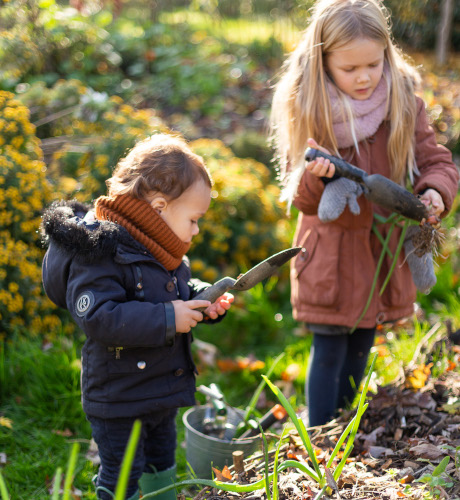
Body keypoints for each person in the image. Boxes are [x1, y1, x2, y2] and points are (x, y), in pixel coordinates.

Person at [269, 0, 459, 427]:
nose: (364, 77)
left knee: (361, 345)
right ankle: (321, 434)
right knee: (329, 348)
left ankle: (348, 428)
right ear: (324, 61)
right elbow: (300, 198)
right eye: (350, 68)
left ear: (386, 54)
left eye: (373, 64)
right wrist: (316, 177)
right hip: (331, 256)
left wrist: (432, 193)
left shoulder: (403, 103)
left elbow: (439, 164)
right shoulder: (310, 106)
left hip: (380, 254)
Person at [41, 134, 233, 499]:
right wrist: (166, 318)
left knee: (161, 461)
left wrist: (201, 301)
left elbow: (173, 291)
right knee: (122, 473)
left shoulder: (162, 244)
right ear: (159, 206)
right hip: (119, 395)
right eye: (194, 219)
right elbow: (99, 317)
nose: (196, 230)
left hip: (161, 387)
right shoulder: (101, 250)